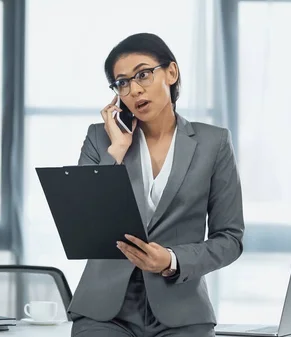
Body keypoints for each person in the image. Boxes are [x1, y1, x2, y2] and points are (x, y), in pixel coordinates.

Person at [68, 32, 244, 337]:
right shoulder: (101, 138)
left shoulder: (213, 143)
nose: (134, 89)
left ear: (171, 73)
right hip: (105, 312)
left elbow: (230, 238)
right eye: (122, 82)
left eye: (143, 74)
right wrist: (116, 151)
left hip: (181, 309)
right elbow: (85, 222)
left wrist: (172, 260)